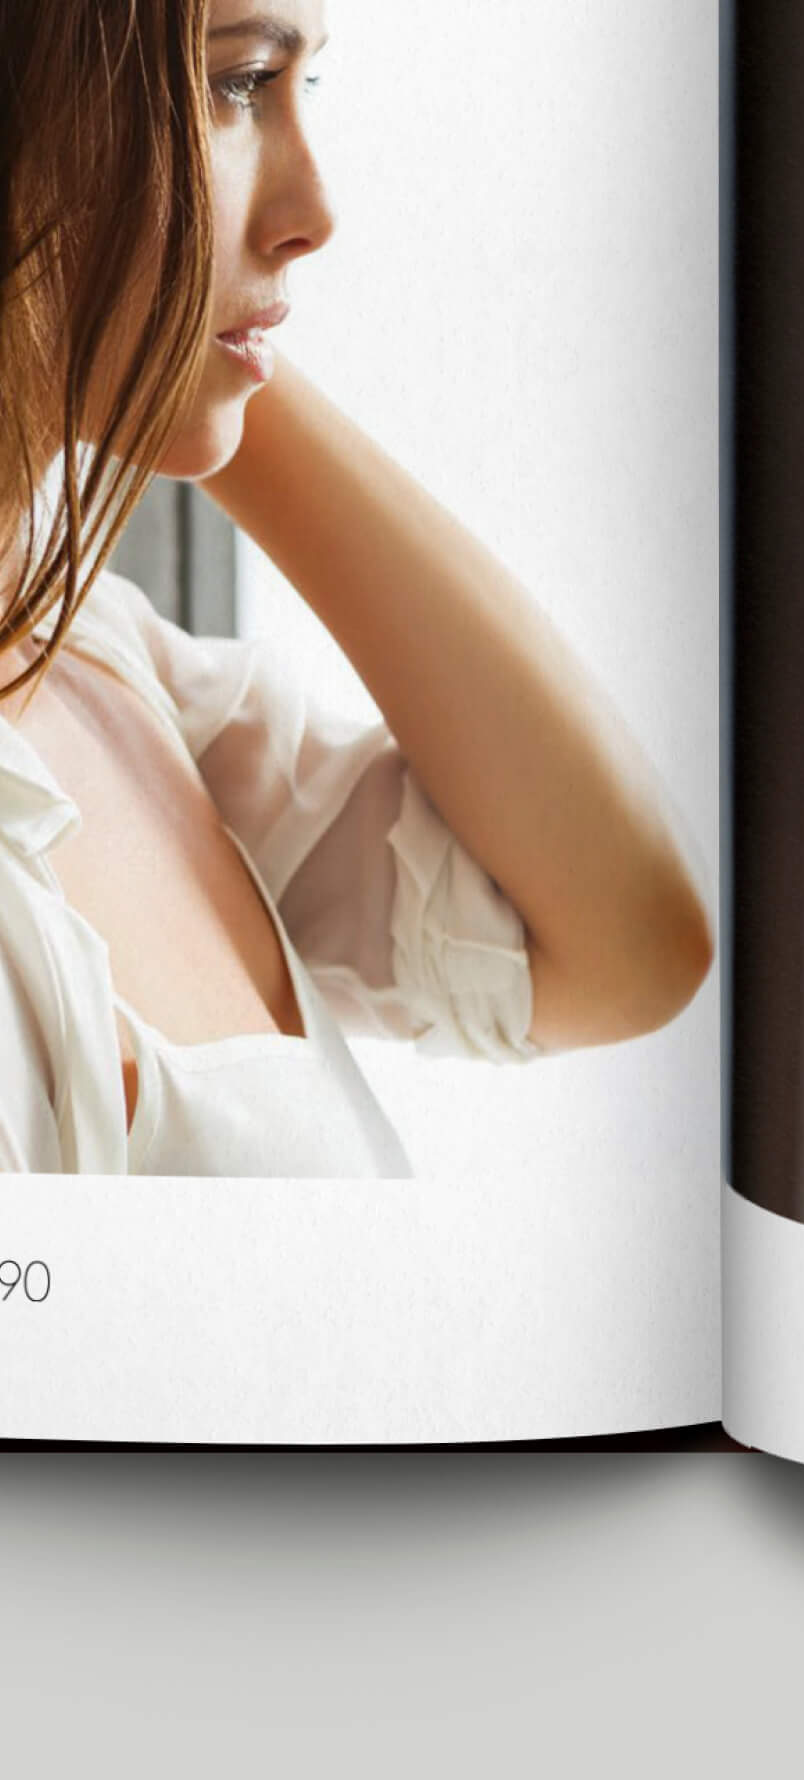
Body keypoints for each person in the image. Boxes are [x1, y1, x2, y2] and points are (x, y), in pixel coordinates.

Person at [0, 0, 713, 1175]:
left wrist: (188, 339)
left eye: (303, 84)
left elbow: (630, 936)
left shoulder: (101, 658)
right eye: (238, 83)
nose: (315, 216)